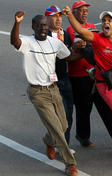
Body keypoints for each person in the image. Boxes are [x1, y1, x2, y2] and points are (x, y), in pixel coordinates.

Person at [63, 6, 112, 166]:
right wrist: (70, 15)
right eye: (104, 20)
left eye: (109, 20)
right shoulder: (97, 39)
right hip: (105, 84)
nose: (106, 22)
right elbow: (81, 31)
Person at [10, 12, 78, 176]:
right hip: (38, 92)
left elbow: (69, 57)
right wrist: (17, 23)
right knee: (56, 127)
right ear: (33, 27)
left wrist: (88, 50)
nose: (42, 28)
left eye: (44, 25)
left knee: (63, 125)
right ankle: (70, 163)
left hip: (53, 88)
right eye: (39, 25)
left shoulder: (55, 43)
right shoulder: (28, 42)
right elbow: (15, 41)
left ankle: (48, 141)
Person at [66, 0, 112, 147]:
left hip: (96, 74)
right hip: (79, 77)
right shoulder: (69, 30)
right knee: (84, 108)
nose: (84, 13)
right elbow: (68, 54)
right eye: (81, 10)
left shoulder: (92, 27)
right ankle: (83, 137)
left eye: (86, 10)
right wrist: (77, 47)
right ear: (74, 13)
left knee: (105, 106)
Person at [45, 5, 75, 152]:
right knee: (60, 115)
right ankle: (60, 145)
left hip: (65, 79)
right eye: (54, 16)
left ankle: (63, 144)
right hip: (51, 82)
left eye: (59, 16)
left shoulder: (65, 34)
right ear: (47, 18)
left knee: (68, 113)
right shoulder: (43, 35)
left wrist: (76, 49)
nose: (58, 19)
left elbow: (69, 56)